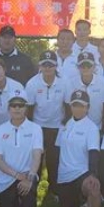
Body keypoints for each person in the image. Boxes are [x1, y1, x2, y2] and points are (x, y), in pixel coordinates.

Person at [0, 94, 43, 207]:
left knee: (28, 192)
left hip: (28, 175)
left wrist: (30, 177)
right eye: (14, 106)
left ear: (26, 109)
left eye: (21, 105)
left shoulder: (35, 128)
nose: (17, 108)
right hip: (7, 178)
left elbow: (37, 155)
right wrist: (17, 175)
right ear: (9, 109)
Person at [55, 89, 103, 207]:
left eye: (82, 105)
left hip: (82, 172)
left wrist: (93, 174)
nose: (78, 108)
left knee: (93, 187)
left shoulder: (91, 127)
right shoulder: (64, 125)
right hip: (64, 176)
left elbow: (94, 152)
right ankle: (88, 206)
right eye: (75, 105)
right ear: (70, 106)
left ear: (87, 107)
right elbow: (57, 151)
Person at [26, 51, 68, 195]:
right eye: (45, 64)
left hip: (57, 126)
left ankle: (53, 190)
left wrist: (64, 125)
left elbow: (68, 106)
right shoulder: (32, 83)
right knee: (36, 157)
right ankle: (32, 187)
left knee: (54, 160)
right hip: (38, 126)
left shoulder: (64, 82)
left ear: (56, 66)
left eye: (51, 65)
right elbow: (29, 109)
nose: (48, 67)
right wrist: (31, 129)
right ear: (40, 66)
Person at [63, 52, 104, 131]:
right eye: (82, 66)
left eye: (89, 65)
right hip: (76, 127)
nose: (86, 68)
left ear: (94, 66)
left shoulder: (102, 82)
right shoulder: (71, 83)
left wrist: (103, 129)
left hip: (97, 126)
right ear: (77, 67)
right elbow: (68, 107)